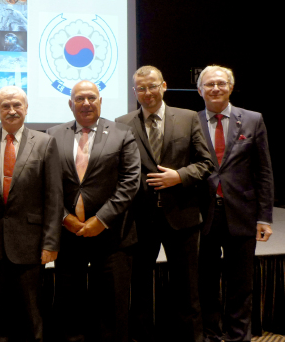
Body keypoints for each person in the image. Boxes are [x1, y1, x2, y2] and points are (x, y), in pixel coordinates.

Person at [116, 65, 214, 342]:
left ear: (164, 85)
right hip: (139, 219)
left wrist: (179, 176)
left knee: (187, 288)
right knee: (140, 287)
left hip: (181, 216)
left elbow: (206, 163)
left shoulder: (188, 118)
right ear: (135, 91)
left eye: (153, 86)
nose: (148, 93)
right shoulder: (122, 123)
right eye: (141, 88)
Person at [47, 80, 141, 342]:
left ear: (100, 101)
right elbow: (47, 183)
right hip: (69, 235)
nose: (86, 103)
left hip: (113, 236)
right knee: (69, 302)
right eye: (79, 99)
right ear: (70, 103)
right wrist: (65, 218)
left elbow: (130, 182)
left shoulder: (122, 133)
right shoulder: (53, 134)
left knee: (112, 304)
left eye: (91, 98)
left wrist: (101, 220)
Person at [0, 86, 62, 341]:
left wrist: (51, 241)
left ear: (26, 108)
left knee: (31, 311)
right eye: (6, 106)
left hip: (30, 243)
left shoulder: (45, 142)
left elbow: (54, 196)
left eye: (17, 105)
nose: (12, 111)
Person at [196, 65, 273, 342]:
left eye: (220, 83)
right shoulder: (190, 122)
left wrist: (264, 218)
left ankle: (238, 336)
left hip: (242, 213)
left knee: (241, 283)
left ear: (230, 86)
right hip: (203, 215)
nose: (215, 88)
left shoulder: (253, 120)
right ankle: (211, 334)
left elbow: (263, 172)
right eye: (209, 84)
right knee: (205, 281)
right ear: (199, 90)